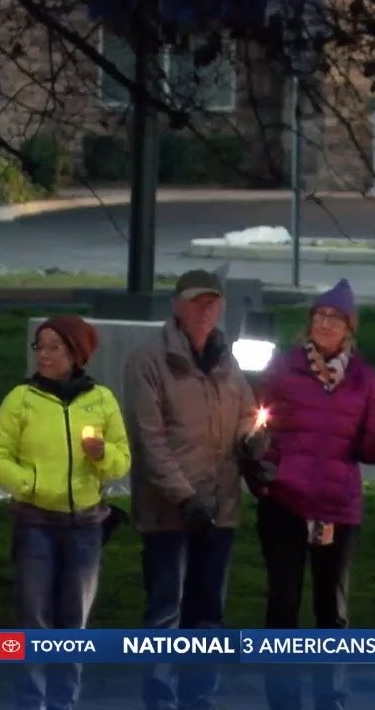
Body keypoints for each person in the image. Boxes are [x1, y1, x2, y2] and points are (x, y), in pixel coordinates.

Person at [250, 280, 375, 710]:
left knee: (330, 608)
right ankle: (282, 698)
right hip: (284, 501)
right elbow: (255, 428)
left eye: (333, 318)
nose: (323, 323)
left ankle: (330, 697)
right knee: (283, 601)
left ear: (349, 328)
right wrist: (265, 476)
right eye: (318, 315)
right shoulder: (284, 368)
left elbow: (366, 450)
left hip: (335, 508)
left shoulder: (363, 379)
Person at [124, 269, 269, 710]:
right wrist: (184, 499)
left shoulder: (228, 361)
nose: (205, 309)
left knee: (208, 615)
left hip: (219, 508)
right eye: (195, 301)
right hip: (169, 512)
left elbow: (246, 416)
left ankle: (199, 699)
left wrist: (255, 439)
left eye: (212, 301)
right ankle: (160, 699)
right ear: (176, 306)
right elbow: (149, 441)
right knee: (165, 613)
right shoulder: (148, 360)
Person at [0, 314, 131, 710]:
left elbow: (122, 461)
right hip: (35, 523)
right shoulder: (21, 399)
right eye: (40, 346)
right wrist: (31, 485)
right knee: (33, 621)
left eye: (54, 348)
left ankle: (65, 702)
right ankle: (31, 702)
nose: (44, 356)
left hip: (85, 526)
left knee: (74, 624)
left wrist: (102, 456)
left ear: (76, 354)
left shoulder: (100, 400)